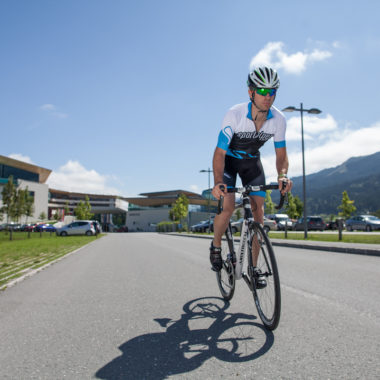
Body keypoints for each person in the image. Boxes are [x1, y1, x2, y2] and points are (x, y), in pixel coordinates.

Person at [210, 66, 293, 287]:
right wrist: (219, 182)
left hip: (252, 166)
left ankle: (254, 268)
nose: (268, 97)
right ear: (251, 92)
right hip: (228, 164)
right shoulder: (234, 115)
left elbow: (281, 155)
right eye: (263, 91)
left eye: (272, 91)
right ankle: (216, 245)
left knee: (259, 216)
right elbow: (219, 153)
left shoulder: (279, 119)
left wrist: (282, 175)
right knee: (227, 207)